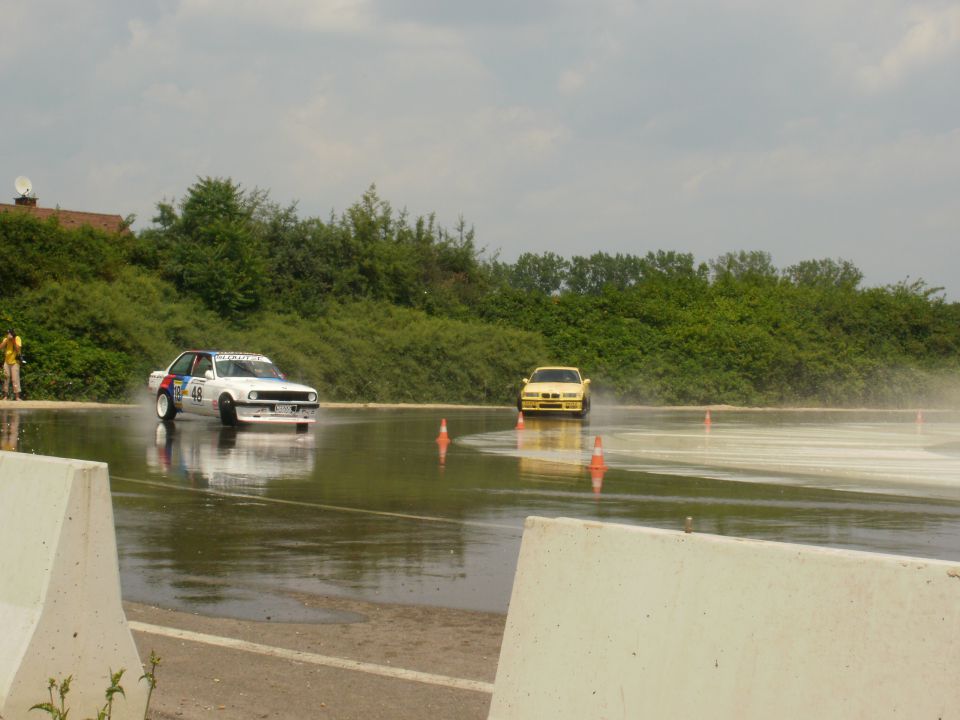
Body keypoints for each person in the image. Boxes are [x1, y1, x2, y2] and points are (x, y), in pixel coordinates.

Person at [0, 329, 23, 401]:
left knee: (15, 379)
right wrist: (7, 339)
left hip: (15, 362)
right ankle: (5, 396)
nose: (8, 334)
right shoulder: (6, 339)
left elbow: (18, 348)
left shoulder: (17, 338)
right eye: (8, 333)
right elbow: (0, 347)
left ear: (13, 334)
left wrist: (13, 339)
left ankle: (17, 397)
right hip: (6, 362)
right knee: (6, 378)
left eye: (10, 333)